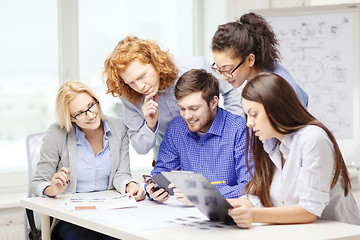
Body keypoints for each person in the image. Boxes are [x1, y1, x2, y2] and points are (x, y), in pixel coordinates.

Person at [227, 72, 360, 228]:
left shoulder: (313, 139)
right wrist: (223, 205)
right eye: (247, 116)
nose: (249, 123)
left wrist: (253, 215)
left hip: (340, 233)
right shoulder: (270, 144)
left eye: (254, 114)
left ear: (275, 108)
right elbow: (260, 198)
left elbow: (309, 211)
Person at [32, 81, 146, 240]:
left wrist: (130, 185)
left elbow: (121, 174)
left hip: (109, 211)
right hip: (72, 217)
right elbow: (38, 181)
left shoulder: (119, 127)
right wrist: (54, 189)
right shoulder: (57, 133)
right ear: (70, 118)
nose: (91, 115)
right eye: (80, 113)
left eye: (91, 105)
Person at [103, 35, 243, 163]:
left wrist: (233, 134)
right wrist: (150, 125)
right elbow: (140, 148)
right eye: (131, 82)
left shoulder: (194, 66)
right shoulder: (129, 96)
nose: (140, 86)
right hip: (170, 159)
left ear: (155, 63)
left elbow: (230, 92)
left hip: (214, 150)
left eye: (142, 76)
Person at [145, 69, 252, 203]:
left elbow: (249, 186)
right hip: (185, 215)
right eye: (182, 108)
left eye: (194, 108)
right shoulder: (177, 127)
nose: (187, 116)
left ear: (213, 103)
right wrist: (152, 189)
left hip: (228, 212)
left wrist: (204, 195)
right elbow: (161, 172)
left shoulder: (238, 129)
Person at [211, 12, 308, 108]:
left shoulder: (274, 88)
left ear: (250, 60)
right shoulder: (260, 77)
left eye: (228, 70)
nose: (224, 77)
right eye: (219, 69)